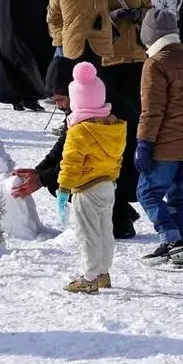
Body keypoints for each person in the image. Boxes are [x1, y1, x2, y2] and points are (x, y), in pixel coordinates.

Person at [135, 8, 183, 266]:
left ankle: (171, 239)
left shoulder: (155, 64)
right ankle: (178, 247)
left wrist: (144, 144)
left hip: (164, 145)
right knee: (177, 197)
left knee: (148, 192)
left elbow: (152, 111)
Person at [50, 62, 125, 294]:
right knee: (104, 230)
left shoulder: (79, 130)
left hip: (86, 188)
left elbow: (71, 162)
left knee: (87, 233)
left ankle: (90, 276)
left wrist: (63, 188)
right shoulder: (114, 126)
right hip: (107, 185)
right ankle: (103, 272)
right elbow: (117, 158)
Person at [100, 0, 151, 239]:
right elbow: (95, 19)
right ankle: (120, 200)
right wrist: (114, 17)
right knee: (119, 127)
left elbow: (151, 9)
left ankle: (130, 192)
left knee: (137, 126)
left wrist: (140, 14)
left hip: (137, 58)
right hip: (112, 61)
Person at [49, 0, 113, 98]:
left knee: (95, 90)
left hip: (93, 43)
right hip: (80, 44)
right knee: (79, 90)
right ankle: (72, 120)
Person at [0, 0, 51, 112]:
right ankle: (29, 97)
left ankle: (14, 99)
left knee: (9, 65)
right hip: (25, 31)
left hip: (5, 30)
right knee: (28, 63)